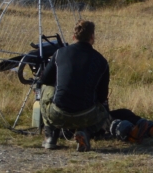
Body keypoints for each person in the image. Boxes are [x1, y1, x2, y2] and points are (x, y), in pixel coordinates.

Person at [38, 20, 110, 152]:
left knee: (44, 88)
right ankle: (86, 131)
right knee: (104, 111)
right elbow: (102, 97)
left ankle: (50, 136)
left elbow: (44, 80)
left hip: (57, 113)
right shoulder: (101, 61)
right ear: (92, 37)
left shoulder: (59, 53)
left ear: (73, 36)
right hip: (87, 115)